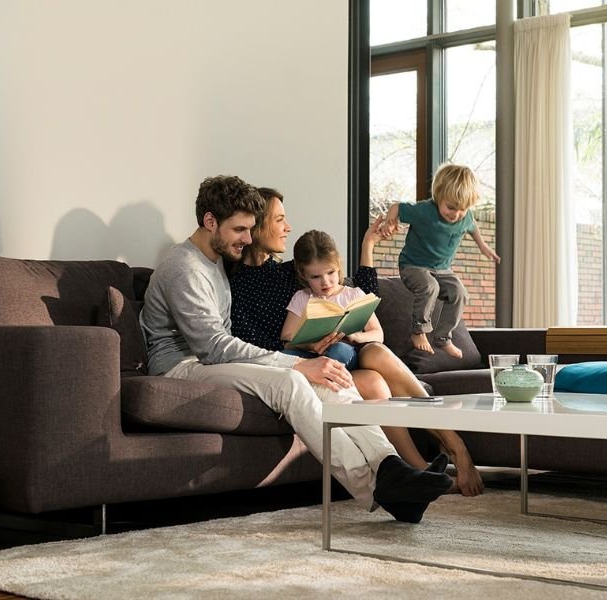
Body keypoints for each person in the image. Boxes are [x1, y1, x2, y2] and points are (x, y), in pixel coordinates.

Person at [139, 175, 453, 524]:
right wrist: (295, 364)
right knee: (292, 382)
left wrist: (310, 362)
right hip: (183, 366)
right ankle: (380, 488)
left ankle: (391, 466)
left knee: (333, 376)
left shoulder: (215, 260)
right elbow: (213, 347)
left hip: (212, 360)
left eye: (251, 228)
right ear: (210, 221)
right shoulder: (185, 267)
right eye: (240, 230)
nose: (247, 237)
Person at [230, 188, 485, 496]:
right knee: (375, 382)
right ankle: (423, 468)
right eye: (280, 219)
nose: (288, 227)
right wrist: (305, 351)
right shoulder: (236, 283)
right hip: (294, 369)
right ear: (256, 226)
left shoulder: (288, 271)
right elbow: (248, 344)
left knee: (376, 358)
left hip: (334, 359)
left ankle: (447, 452)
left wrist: (368, 245)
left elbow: (355, 293)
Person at [381, 162, 501, 358]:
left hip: (443, 269)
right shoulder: (425, 211)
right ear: (438, 196)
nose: (456, 214)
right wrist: (389, 221)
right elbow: (396, 207)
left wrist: (483, 246)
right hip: (413, 265)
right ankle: (418, 331)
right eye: (451, 207)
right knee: (430, 287)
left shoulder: (465, 217)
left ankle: (443, 338)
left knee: (460, 293)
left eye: (462, 209)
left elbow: (472, 226)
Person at [281, 229, 380, 370]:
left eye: (331, 272)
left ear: (338, 266)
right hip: (310, 355)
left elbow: (378, 334)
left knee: (338, 349)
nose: (325, 282)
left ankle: (324, 379)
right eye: (315, 277)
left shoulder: (354, 295)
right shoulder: (302, 297)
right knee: (284, 355)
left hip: (343, 353)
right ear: (303, 275)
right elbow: (286, 337)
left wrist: (356, 336)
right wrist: (310, 345)